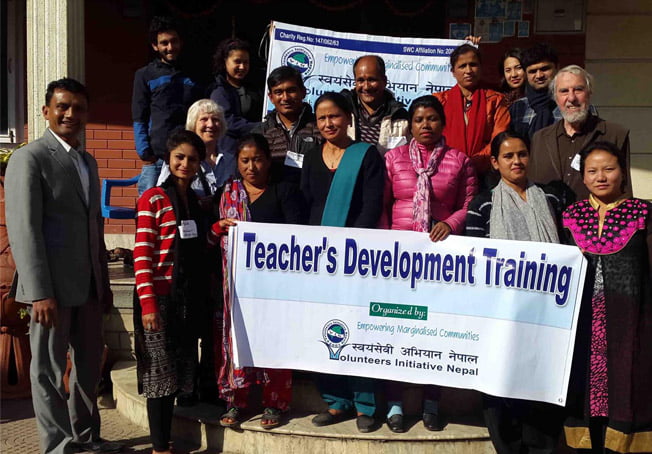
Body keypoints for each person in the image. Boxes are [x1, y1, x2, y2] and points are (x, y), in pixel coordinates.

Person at [5, 78, 122, 454]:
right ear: (46, 111)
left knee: (88, 370)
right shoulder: (30, 158)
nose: (71, 113)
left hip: (88, 287)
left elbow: (94, 228)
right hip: (50, 291)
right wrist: (39, 292)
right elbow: (25, 229)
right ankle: (58, 446)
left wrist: (102, 286)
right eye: (62, 106)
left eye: (78, 108)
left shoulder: (87, 161)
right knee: (49, 372)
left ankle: (87, 439)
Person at [465, 131, 572, 454]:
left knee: (541, 377)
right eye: (508, 156)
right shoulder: (482, 205)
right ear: (495, 163)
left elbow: (566, 250)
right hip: (500, 311)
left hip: (547, 312)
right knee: (501, 380)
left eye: (522, 154)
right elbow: (474, 262)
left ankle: (542, 446)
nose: (517, 161)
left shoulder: (552, 198)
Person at [381, 95, 478, 433]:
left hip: (441, 261)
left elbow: (470, 203)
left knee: (434, 332)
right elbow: (382, 204)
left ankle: (431, 403)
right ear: (410, 124)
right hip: (399, 260)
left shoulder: (459, 160)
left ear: (443, 123)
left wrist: (450, 224)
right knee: (394, 329)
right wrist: (383, 247)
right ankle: (394, 404)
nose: (425, 125)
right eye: (419, 119)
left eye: (432, 119)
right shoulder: (392, 159)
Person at [301, 92, 384, 433]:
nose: (328, 123)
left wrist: (350, 248)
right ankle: (336, 401)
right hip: (318, 259)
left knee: (357, 326)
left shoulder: (365, 155)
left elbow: (371, 205)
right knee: (324, 326)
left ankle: (366, 404)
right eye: (322, 118)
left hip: (355, 258)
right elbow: (307, 202)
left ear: (348, 118)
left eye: (334, 116)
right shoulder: (310, 157)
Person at [562, 141, 652, 454]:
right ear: (583, 178)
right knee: (583, 386)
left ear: (622, 173)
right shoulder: (570, 216)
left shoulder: (643, 212)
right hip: (583, 323)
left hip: (630, 321)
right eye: (593, 171)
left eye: (609, 169)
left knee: (628, 384)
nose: (601, 177)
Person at [210, 133, 302, 430]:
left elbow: (298, 239)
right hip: (235, 288)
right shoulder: (227, 193)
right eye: (245, 161)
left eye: (258, 160)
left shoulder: (283, 192)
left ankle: (275, 403)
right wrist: (217, 227)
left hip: (274, 287)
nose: (252, 167)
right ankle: (236, 400)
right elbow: (208, 237)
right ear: (237, 163)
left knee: (274, 343)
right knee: (237, 344)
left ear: (268, 161)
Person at [133, 130, 210, 454]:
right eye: (180, 157)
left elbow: (197, 245)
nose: (185, 163)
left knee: (178, 372)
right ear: (169, 158)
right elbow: (142, 254)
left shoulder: (194, 201)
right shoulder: (153, 198)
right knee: (159, 378)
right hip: (159, 300)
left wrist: (216, 230)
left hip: (185, 298)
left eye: (192, 159)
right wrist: (149, 304)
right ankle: (159, 446)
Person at [529, 65, 632, 200]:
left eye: (578, 90)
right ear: (555, 97)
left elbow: (624, 191)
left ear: (589, 93)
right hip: (549, 220)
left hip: (597, 220)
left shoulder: (614, 134)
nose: (571, 98)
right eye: (564, 91)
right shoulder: (540, 139)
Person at [132, 16, 201, 195]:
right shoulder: (144, 75)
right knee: (150, 211)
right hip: (156, 159)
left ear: (181, 42)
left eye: (174, 41)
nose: (170, 47)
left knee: (187, 210)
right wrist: (145, 153)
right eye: (164, 43)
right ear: (155, 46)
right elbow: (139, 116)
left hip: (187, 158)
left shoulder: (193, 74)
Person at [433, 44, 510, 181]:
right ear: (453, 71)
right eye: (462, 66)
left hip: (485, 174)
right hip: (444, 173)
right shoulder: (439, 101)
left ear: (481, 68)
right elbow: (432, 138)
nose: (468, 70)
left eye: (473, 65)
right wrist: (453, 163)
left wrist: (470, 163)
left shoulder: (495, 100)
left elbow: (499, 140)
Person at [253, 65, 322, 184]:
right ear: (271, 97)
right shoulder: (259, 134)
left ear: (303, 92)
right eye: (278, 92)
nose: (285, 98)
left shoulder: (321, 128)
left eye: (291, 90)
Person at [157, 99, 235, 199]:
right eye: (204, 119)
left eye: (215, 119)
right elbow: (162, 194)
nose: (210, 124)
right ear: (193, 124)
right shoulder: (179, 159)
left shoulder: (231, 161)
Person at [341, 55, 409, 155]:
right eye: (360, 80)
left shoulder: (400, 117)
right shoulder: (342, 109)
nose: (366, 87)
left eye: (372, 80)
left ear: (384, 81)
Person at [209, 38, 263, 155]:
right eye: (237, 62)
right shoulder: (219, 91)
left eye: (246, 62)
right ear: (225, 62)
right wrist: (262, 127)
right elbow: (227, 121)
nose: (242, 67)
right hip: (229, 153)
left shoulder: (254, 88)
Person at [508, 43, 559, 140]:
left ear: (557, 67)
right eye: (533, 71)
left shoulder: (572, 104)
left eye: (544, 69)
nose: (539, 75)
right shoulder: (517, 109)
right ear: (526, 74)